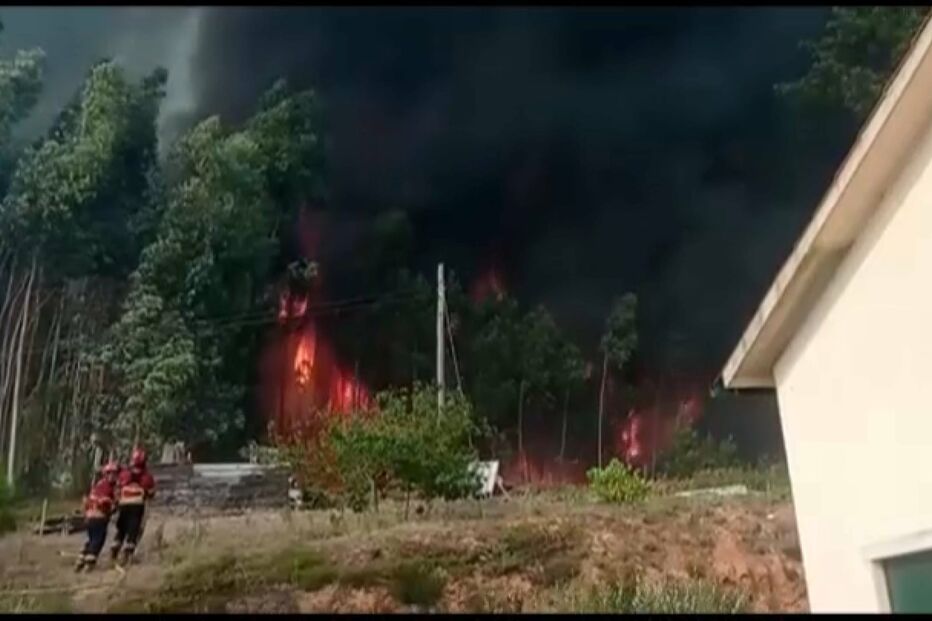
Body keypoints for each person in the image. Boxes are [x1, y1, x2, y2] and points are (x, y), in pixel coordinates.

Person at [110, 447, 156, 566]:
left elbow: (117, 488)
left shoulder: (124, 474)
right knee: (133, 529)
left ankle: (114, 550)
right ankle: (127, 554)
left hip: (123, 504)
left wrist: (116, 502)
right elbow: (151, 493)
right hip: (137, 506)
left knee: (121, 528)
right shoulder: (147, 477)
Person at [75, 461, 119, 573]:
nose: (113, 477)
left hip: (90, 517)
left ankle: (81, 559)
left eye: (114, 474)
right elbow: (112, 504)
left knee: (91, 539)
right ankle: (89, 564)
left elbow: (88, 500)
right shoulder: (109, 488)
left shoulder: (97, 486)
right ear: (106, 474)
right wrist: (114, 508)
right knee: (98, 540)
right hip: (99, 517)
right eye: (111, 474)